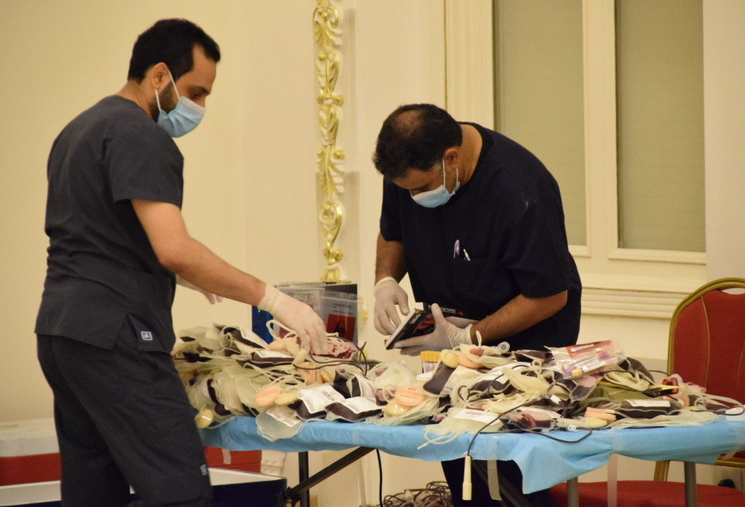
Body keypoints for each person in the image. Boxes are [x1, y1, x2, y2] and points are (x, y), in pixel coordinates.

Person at [35, 19, 326, 507]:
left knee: (93, 490)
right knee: (180, 491)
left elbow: (102, 233)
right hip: (116, 335)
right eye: (196, 92)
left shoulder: (79, 130)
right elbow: (173, 247)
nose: (200, 107)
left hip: (61, 333)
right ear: (159, 75)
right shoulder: (140, 135)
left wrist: (187, 274)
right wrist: (275, 300)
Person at [372, 103, 581, 506]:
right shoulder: (408, 167)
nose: (413, 197)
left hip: (525, 354)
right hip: (450, 353)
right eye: (405, 190)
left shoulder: (519, 190)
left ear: (451, 158)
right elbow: (392, 230)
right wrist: (385, 280)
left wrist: (468, 337)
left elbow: (550, 295)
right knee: (461, 471)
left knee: (511, 485)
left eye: (420, 187)